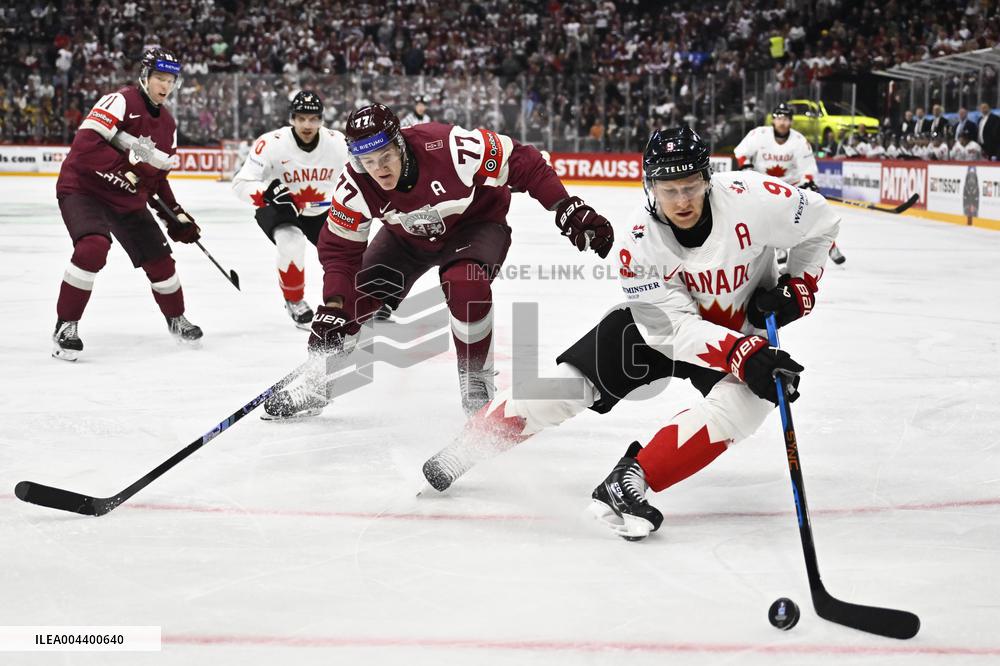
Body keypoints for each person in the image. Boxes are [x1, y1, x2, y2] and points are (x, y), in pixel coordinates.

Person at [422, 127, 840, 542]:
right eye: (668, 188)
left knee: (750, 403)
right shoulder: (637, 245)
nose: (681, 201)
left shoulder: (756, 199)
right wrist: (739, 352)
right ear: (649, 185)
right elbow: (670, 331)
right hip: (661, 330)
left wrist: (800, 286)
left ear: (707, 179)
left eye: (691, 187)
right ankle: (469, 445)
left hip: (738, 333)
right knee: (569, 386)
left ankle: (630, 479)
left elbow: (822, 222)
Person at [263, 103, 614, 418]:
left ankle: (476, 380)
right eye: (367, 162)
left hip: (474, 226)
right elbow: (340, 253)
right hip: (406, 240)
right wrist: (336, 307)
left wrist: (564, 205)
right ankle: (320, 382)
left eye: (385, 156)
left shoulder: (449, 147)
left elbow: (523, 162)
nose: (379, 170)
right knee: (354, 301)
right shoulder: (355, 186)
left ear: (400, 143)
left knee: (465, 282)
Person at [52, 48, 202, 361]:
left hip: (123, 198)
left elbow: (156, 180)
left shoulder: (168, 125)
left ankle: (176, 318)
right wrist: (130, 173)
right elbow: (85, 147)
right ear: (145, 77)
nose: (165, 85)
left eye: (171, 80)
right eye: (160, 78)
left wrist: (175, 215)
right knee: (93, 247)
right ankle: (66, 324)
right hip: (83, 187)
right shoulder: (120, 101)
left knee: (161, 260)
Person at [232, 91, 351, 328]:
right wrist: (268, 192)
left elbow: (359, 175)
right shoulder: (270, 143)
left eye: (313, 118)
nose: (307, 124)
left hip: (322, 209)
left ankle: (353, 298)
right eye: (301, 118)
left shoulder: (338, 142)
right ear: (291, 119)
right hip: (281, 207)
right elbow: (241, 183)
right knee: (291, 242)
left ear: (322, 120)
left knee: (345, 251)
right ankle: (294, 300)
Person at [734, 102, 843, 265]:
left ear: (791, 121)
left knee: (811, 214)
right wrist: (746, 167)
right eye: (779, 118)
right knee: (764, 216)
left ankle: (830, 245)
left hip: (790, 186)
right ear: (773, 120)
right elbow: (740, 152)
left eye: (786, 119)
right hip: (763, 185)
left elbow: (808, 168)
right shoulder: (759, 134)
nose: (782, 122)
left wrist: (807, 183)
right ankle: (779, 248)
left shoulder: (799, 140)